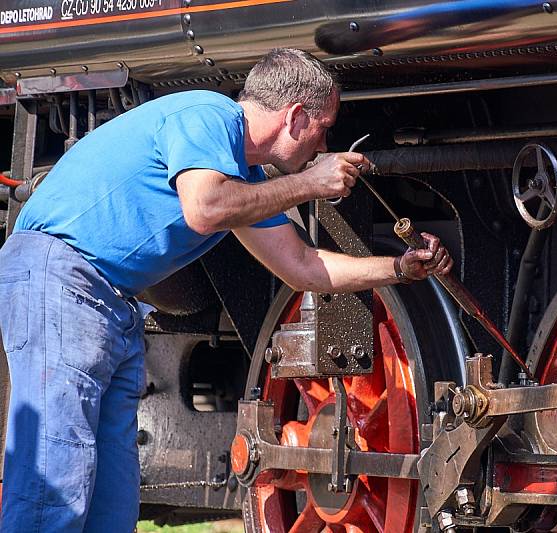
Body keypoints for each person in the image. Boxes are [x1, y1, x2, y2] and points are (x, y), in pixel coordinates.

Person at [0, 48, 453, 532]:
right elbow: (205, 207)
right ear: (296, 117)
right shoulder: (207, 115)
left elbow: (303, 268)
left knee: (111, 499)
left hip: (109, 302)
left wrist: (399, 268)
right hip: (63, 281)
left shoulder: (247, 178)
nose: (324, 144)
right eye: (323, 128)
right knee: (57, 470)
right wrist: (308, 183)